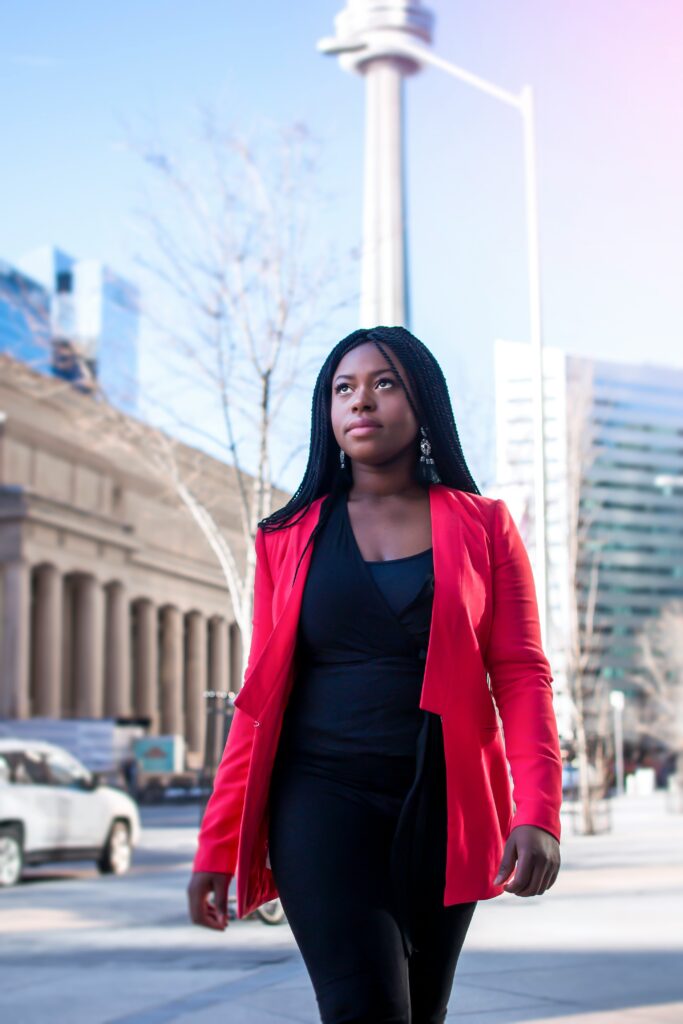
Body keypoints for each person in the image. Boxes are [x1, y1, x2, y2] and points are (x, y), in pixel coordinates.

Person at [188, 326, 563, 1023]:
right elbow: (259, 699)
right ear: (326, 413)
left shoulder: (484, 526)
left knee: (421, 1011)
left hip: (444, 807)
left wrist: (536, 810)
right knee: (364, 1007)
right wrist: (218, 841)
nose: (361, 401)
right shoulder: (285, 535)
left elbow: (519, 675)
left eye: (383, 383)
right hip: (321, 798)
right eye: (343, 388)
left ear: (422, 403)